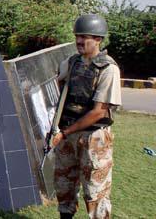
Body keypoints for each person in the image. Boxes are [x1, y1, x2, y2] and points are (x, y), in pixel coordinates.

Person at [51, 14, 121, 219]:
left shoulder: (108, 68)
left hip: (93, 138)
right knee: (64, 185)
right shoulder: (72, 62)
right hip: (67, 133)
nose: (80, 41)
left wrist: (64, 133)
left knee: (95, 190)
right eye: (77, 36)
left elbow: (99, 110)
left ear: (98, 39)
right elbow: (57, 83)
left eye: (85, 37)